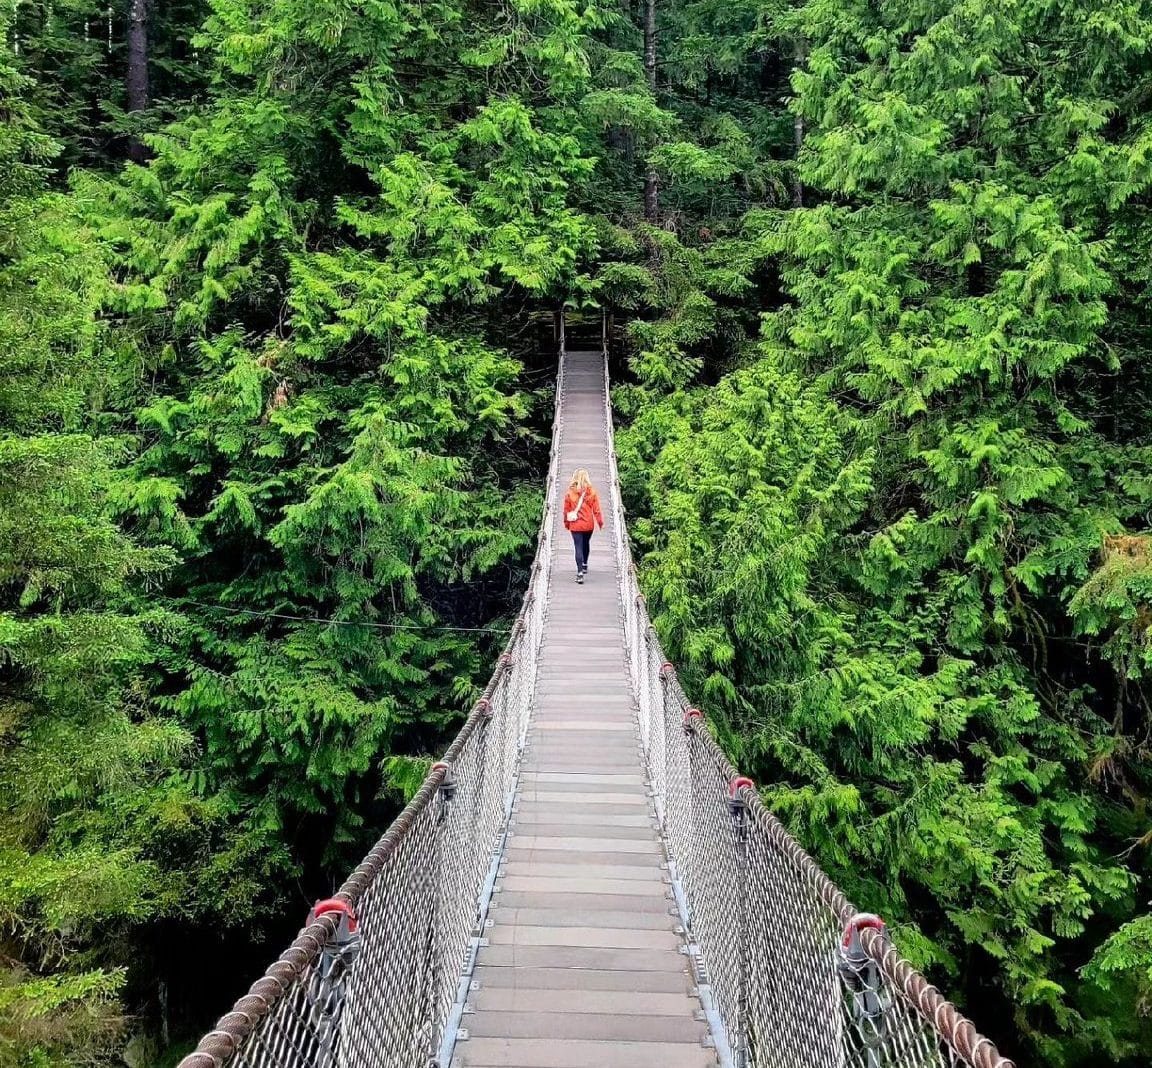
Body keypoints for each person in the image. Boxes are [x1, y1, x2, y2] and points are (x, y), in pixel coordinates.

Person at [562, 468, 604, 584]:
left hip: (575, 525)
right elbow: (596, 509)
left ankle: (580, 573)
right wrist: (600, 522)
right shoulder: (592, 492)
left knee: (578, 547)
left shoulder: (570, 492)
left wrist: (566, 523)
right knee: (586, 544)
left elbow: (566, 511)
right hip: (588, 524)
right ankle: (585, 564)